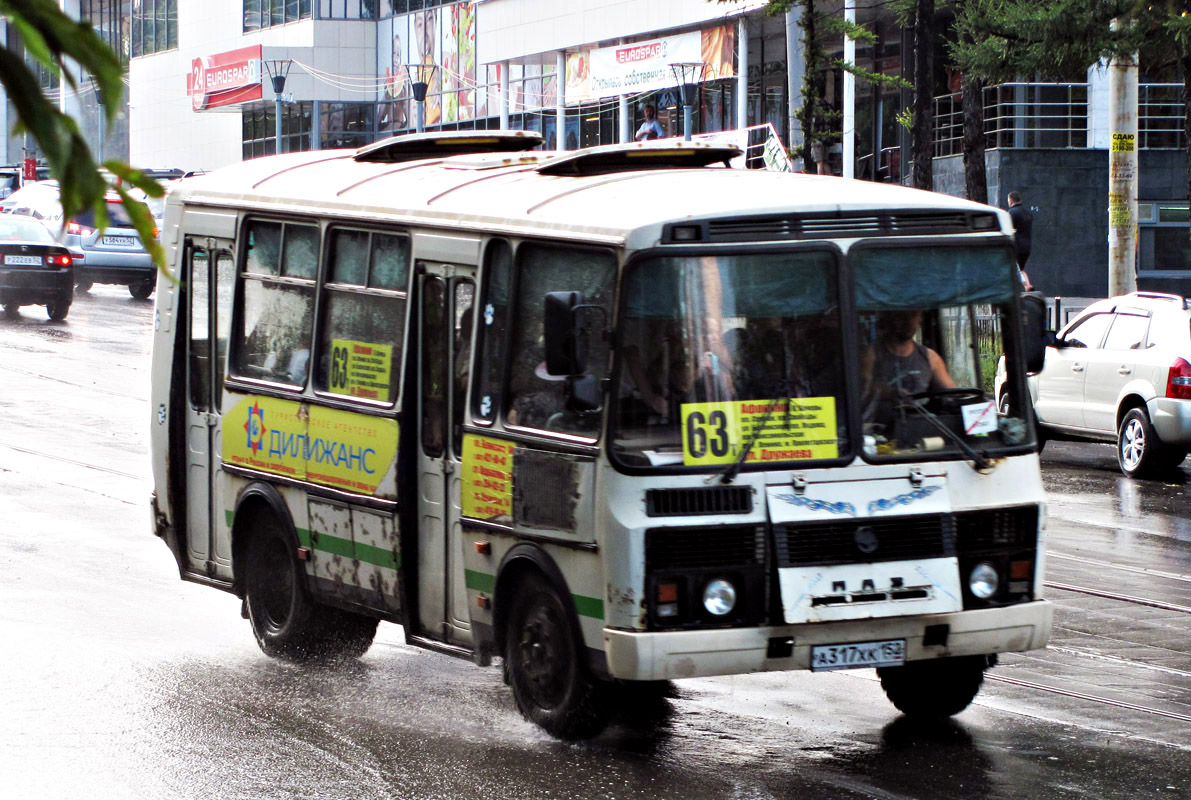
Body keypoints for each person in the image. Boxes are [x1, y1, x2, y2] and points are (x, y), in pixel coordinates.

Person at [869, 310, 956, 399]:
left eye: (913, 315)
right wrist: (890, 393)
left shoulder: (930, 357)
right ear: (889, 317)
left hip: (920, 412)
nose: (908, 321)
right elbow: (863, 387)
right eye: (901, 315)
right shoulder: (870, 355)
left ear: (920, 319)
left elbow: (953, 392)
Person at [1007, 191, 1034, 290]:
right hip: (1027, 246)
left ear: (1010, 201)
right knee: (1020, 268)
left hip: (1016, 246)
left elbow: (1008, 229)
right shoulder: (1028, 213)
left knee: (1012, 268)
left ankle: (1026, 285)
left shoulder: (1012, 213)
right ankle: (1028, 286)